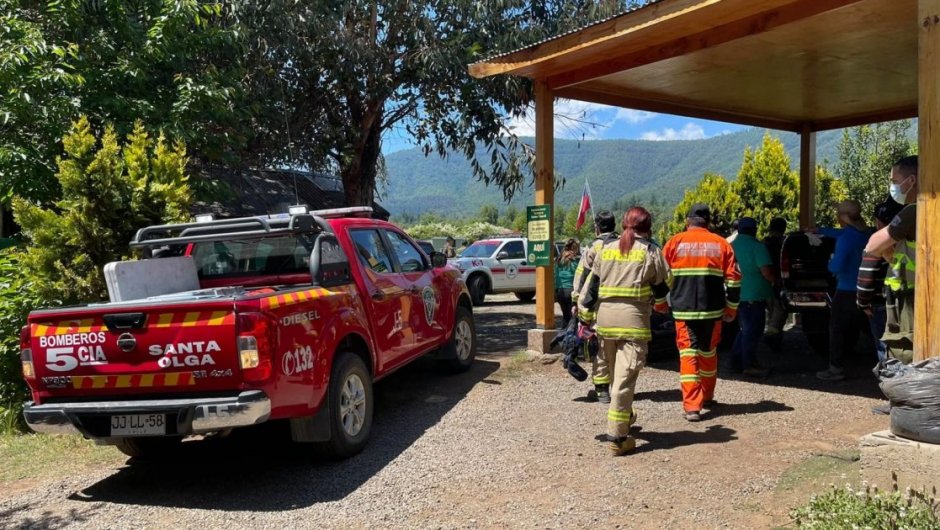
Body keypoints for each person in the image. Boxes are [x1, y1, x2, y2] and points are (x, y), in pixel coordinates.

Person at [578, 207, 671, 455]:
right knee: (623, 381)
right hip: (633, 326)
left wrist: (585, 319)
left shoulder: (606, 249)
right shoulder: (651, 251)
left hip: (606, 324)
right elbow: (662, 290)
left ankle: (625, 416)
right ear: (648, 226)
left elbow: (591, 290)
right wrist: (660, 306)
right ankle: (618, 439)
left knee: (615, 376)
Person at [663, 204, 741, 421]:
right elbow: (734, 280)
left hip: (683, 311)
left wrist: (660, 302)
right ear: (709, 222)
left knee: (688, 356)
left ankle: (692, 407)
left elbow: (659, 275)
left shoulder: (674, 242)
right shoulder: (721, 244)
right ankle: (707, 396)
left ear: (688, 221)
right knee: (708, 353)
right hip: (713, 311)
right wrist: (732, 308)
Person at [864, 155, 918, 364]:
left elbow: (873, 245)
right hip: (916, 293)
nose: (893, 187)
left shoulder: (913, 210)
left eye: (895, 181)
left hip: (911, 298)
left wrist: (887, 252)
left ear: (911, 181)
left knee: (903, 354)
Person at [814, 200, 872, 381]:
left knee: (837, 329)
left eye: (838, 214)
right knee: (871, 328)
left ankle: (835, 368)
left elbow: (836, 267)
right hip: (866, 288)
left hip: (846, 290)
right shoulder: (866, 233)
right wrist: (821, 230)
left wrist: (828, 261)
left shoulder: (846, 239)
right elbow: (841, 233)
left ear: (843, 217)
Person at [573, 210, 619, 403]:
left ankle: (602, 391)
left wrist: (577, 300)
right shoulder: (625, 244)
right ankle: (620, 389)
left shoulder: (593, 247)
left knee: (600, 346)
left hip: (598, 303)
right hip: (624, 302)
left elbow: (583, 275)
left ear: (597, 227)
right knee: (621, 349)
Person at [856, 197, 904, 364]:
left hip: (880, 303)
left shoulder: (877, 243)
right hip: (905, 302)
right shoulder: (907, 241)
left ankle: (890, 383)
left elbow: (866, 277)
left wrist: (863, 303)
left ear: (878, 221)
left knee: (884, 347)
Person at [729, 217, 776, 377]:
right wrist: (777, 282)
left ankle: (735, 362)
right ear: (754, 230)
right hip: (754, 296)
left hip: (737, 294)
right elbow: (767, 273)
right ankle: (748, 365)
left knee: (744, 331)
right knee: (752, 331)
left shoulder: (730, 246)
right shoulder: (758, 247)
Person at [763, 217, 788, 346]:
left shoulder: (764, 243)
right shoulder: (784, 243)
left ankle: (772, 335)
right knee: (780, 310)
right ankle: (773, 335)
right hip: (779, 281)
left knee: (770, 309)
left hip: (766, 280)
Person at [554, 238, 580, 328]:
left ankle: (563, 336)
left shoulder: (559, 259)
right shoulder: (575, 260)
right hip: (571, 290)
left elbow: (555, 275)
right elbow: (579, 275)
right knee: (574, 318)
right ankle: (571, 338)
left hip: (560, 291)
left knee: (565, 316)